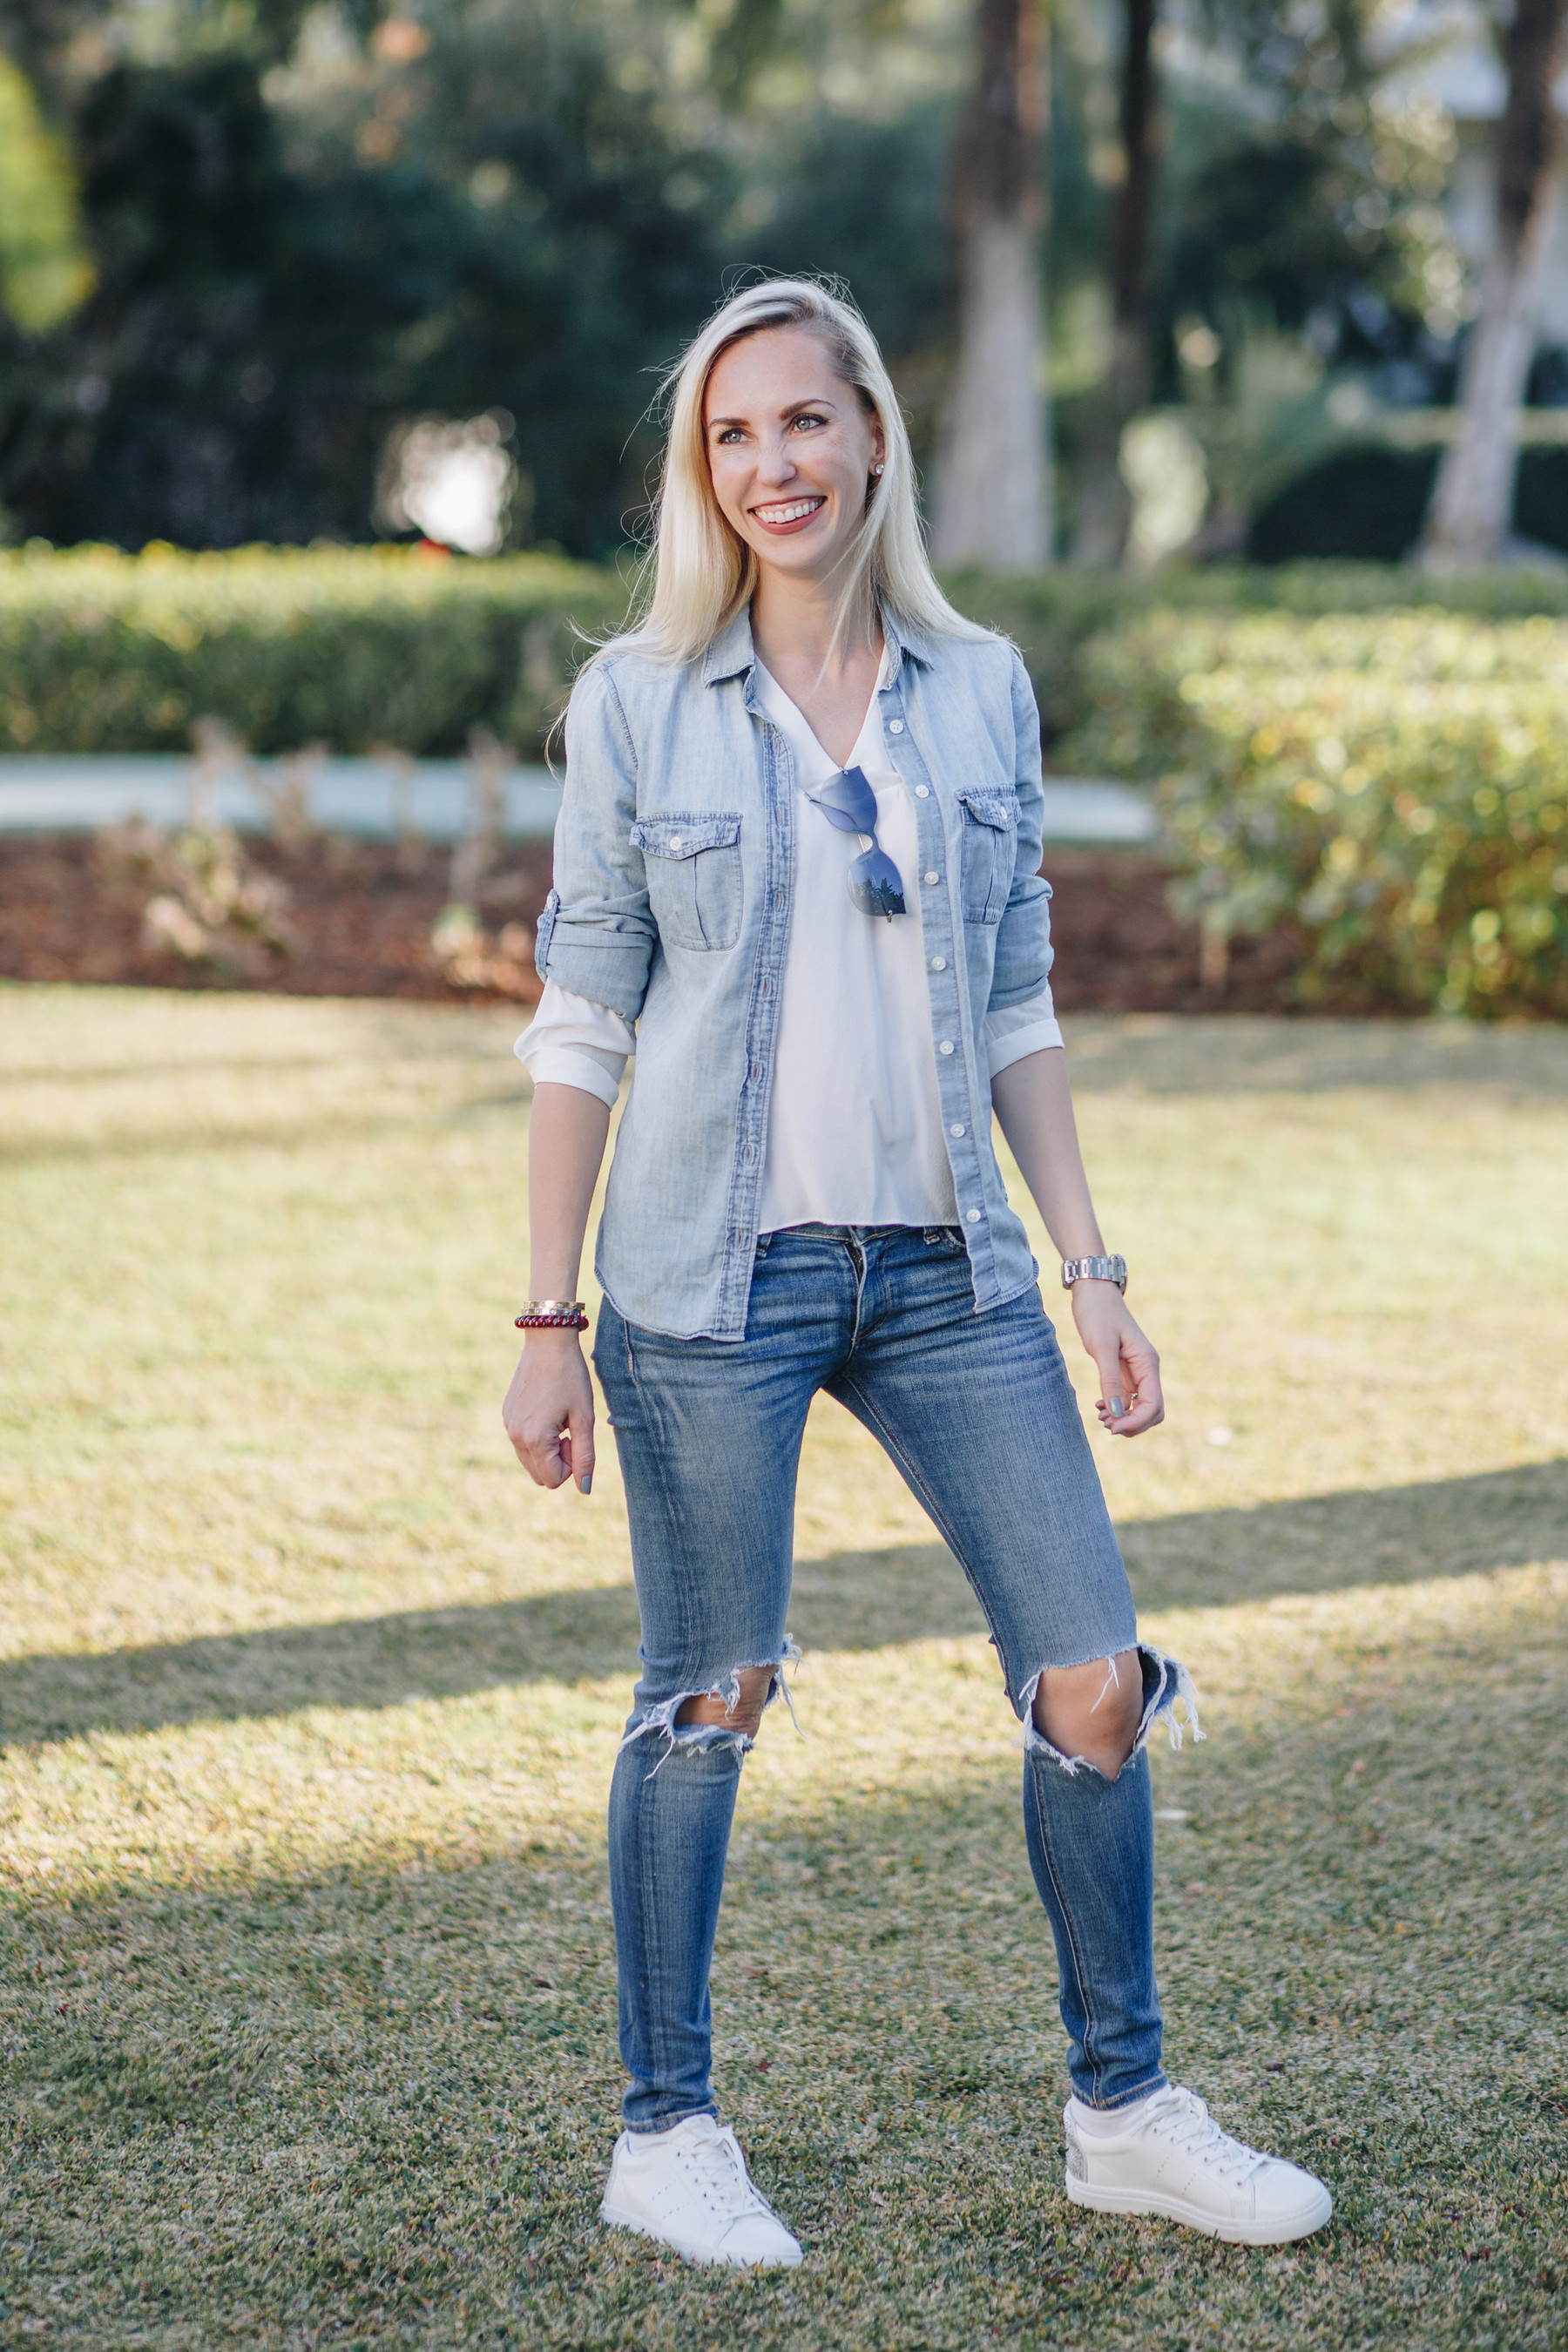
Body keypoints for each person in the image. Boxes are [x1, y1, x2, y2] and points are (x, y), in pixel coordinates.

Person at [503, 277, 1332, 2269]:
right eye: (731, 436)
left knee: (1093, 1681)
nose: (772, 464)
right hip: (715, 1273)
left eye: (805, 421)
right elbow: (582, 1014)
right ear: (706, 475)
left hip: (950, 1266)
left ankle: (1122, 2110)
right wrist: (546, 1312)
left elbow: (1020, 995)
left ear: (874, 433)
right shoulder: (637, 704)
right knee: (712, 1690)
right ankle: (665, 2128)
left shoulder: (980, 689)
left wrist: (1090, 1267)